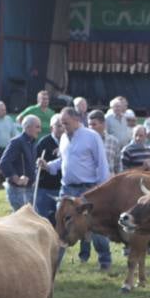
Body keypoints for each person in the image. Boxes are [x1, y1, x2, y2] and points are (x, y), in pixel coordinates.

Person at [38, 107, 112, 271]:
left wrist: (101, 190)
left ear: (77, 119)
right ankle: (54, 262)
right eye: (61, 124)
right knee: (62, 224)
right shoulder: (64, 137)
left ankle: (105, 260)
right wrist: (48, 166)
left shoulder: (92, 137)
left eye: (66, 123)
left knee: (94, 224)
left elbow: (102, 164)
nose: (63, 126)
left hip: (88, 188)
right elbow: (63, 161)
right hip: (67, 188)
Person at [0, 115, 42, 211]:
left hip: (29, 189)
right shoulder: (17, 142)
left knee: (32, 218)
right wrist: (16, 178)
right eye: (37, 127)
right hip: (18, 190)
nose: (39, 130)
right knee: (23, 221)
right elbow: (4, 162)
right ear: (27, 127)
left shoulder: (32, 142)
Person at [34, 115, 65, 222]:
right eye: (58, 126)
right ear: (52, 128)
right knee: (43, 218)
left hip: (61, 187)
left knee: (59, 219)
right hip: (45, 188)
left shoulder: (68, 141)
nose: (62, 128)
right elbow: (36, 163)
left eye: (63, 125)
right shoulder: (44, 142)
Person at [88, 109, 124, 175]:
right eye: (89, 125)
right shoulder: (85, 141)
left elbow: (118, 166)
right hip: (90, 182)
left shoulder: (113, 141)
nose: (91, 127)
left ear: (103, 124)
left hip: (109, 182)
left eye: (94, 124)